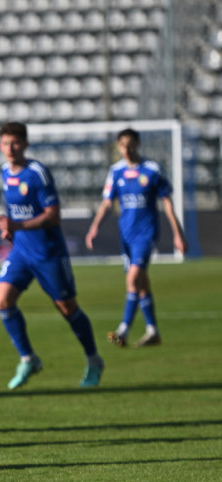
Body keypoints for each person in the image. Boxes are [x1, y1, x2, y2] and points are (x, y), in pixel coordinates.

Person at [0, 121, 103, 390]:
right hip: (21, 251)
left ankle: (94, 360)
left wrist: (18, 225)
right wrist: (9, 229)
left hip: (48, 253)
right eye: (6, 143)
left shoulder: (38, 173)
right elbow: (15, 213)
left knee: (67, 308)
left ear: (25, 144)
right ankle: (28, 358)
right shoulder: (5, 172)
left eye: (16, 142)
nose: (10, 148)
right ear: (0, 145)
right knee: (2, 301)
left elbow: (53, 216)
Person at [85, 128, 187, 348]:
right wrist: (94, 228)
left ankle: (123, 329)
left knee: (132, 279)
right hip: (126, 235)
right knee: (140, 284)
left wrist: (178, 234)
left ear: (137, 144)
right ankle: (153, 331)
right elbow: (106, 202)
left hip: (146, 234)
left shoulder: (151, 170)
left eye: (130, 145)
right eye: (122, 146)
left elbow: (167, 203)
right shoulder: (116, 171)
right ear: (118, 147)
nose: (127, 150)